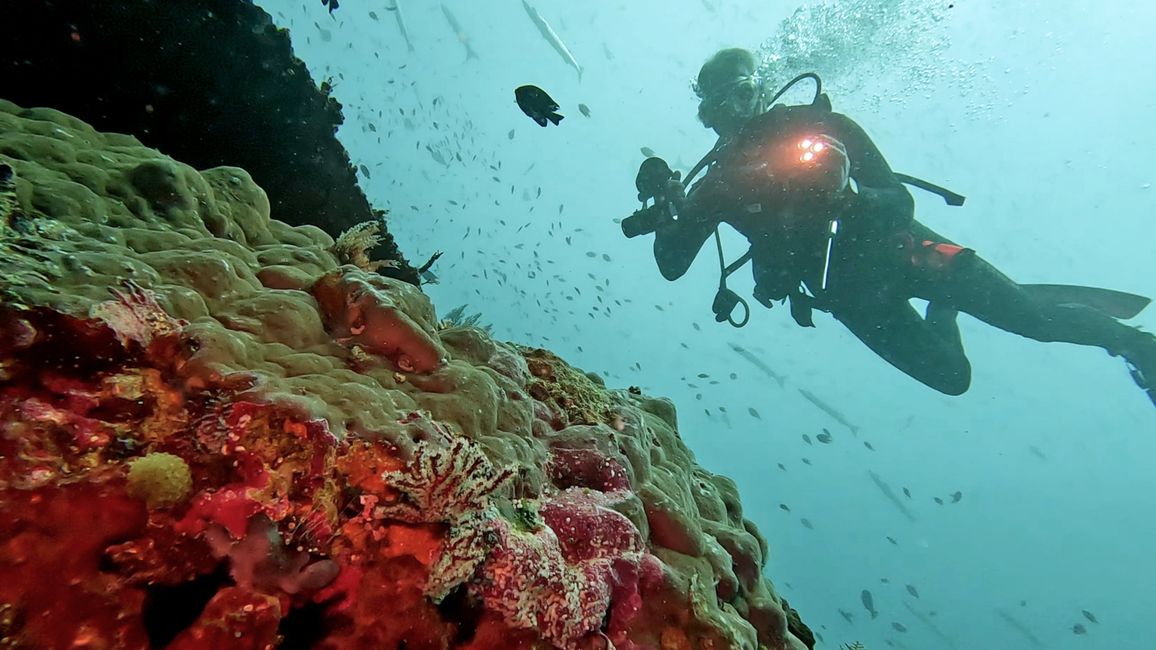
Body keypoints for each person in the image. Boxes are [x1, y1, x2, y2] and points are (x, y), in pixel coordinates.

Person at [641, 47, 1156, 405]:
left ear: (759, 92)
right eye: (715, 106)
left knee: (1033, 321)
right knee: (953, 378)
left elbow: (897, 201)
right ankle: (945, 310)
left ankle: (1135, 345)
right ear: (706, 116)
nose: (730, 114)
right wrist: (670, 209)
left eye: (739, 94)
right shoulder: (718, 185)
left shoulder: (822, 128)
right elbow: (671, 265)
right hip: (853, 298)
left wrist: (849, 198)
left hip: (910, 250)